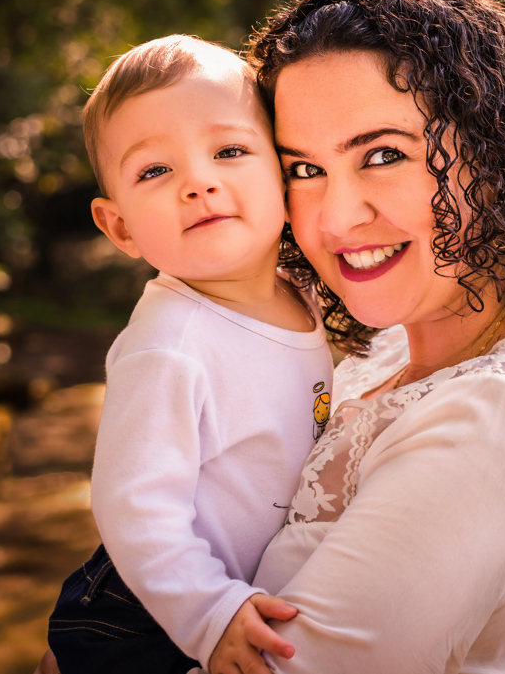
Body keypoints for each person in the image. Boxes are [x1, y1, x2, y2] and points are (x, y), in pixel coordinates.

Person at [209, 0, 505, 674]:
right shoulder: (398, 348)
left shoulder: (497, 410)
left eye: (383, 155)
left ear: (492, 150)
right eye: (303, 169)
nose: (334, 217)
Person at [44, 35, 333, 674]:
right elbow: (135, 507)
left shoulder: (307, 292)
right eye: (155, 170)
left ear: (283, 175)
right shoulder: (169, 346)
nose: (199, 183)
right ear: (119, 227)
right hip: (148, 614)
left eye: (229, 151)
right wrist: (210, 613)